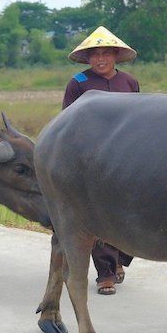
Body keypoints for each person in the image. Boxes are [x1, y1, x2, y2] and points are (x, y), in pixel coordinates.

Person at [61, 26, 142, 294]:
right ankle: (105, 274)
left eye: (106, 53)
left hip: (126, 157)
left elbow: (138, 119)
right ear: (87, 58)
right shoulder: (78, 83)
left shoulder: (129, 82)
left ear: (116, 55)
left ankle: (120, 259)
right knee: (99, 214)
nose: (100, 59)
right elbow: (67, 121)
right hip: (93, 159)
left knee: (129, 211)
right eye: (94, 54)